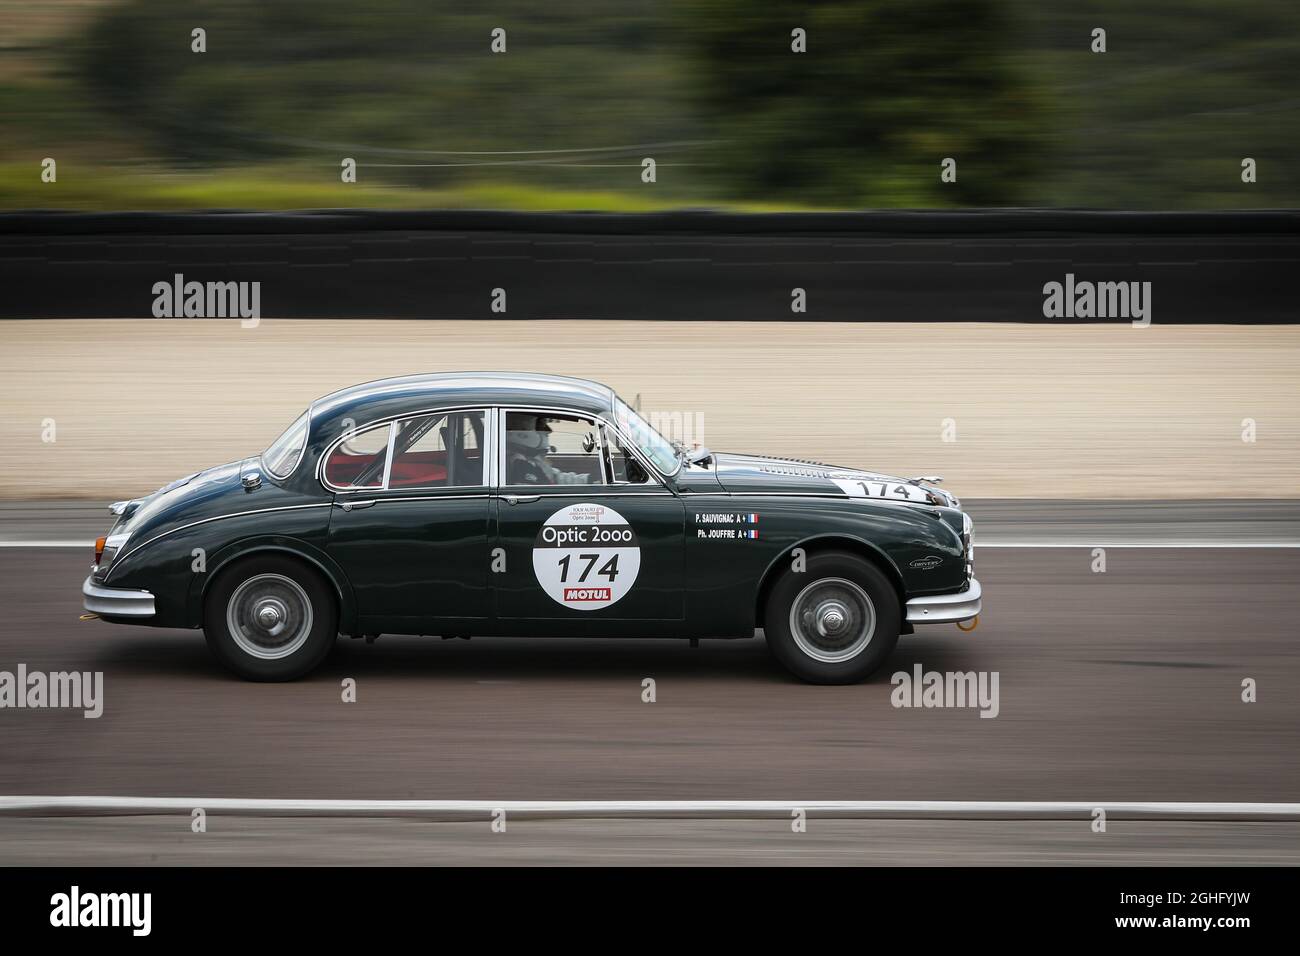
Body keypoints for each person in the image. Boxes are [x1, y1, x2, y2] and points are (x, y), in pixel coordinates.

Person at [505, 413, 594, 485]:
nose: (548, 431)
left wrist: (588, 479)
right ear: (522, 431)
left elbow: (555, 477)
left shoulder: (532, 457)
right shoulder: (519, 463)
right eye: (541, 425)